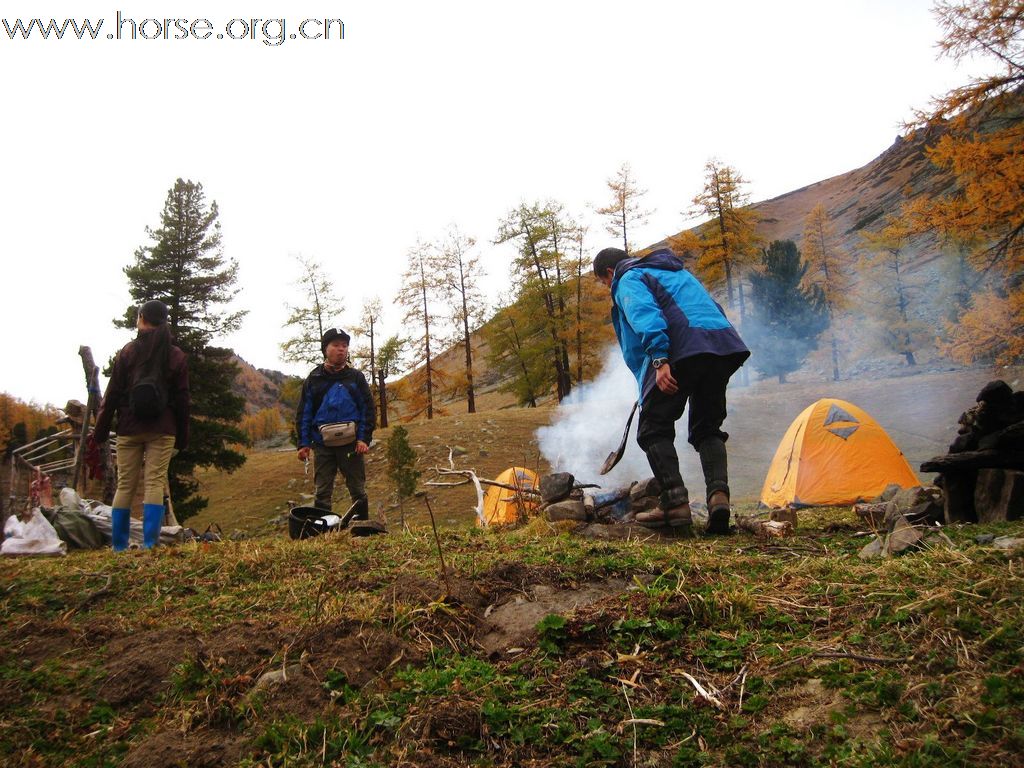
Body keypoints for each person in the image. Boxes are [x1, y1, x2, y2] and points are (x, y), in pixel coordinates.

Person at [593, 246, 749, 534]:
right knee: (707, 428)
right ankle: (719, 498)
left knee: (652, 428)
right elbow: (714, 309)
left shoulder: (628, 278)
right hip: (720, 348)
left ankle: (674, 504)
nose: (607, 287)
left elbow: (644, 314)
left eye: (604, 283)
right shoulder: (676, 272)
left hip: (681, 352)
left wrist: (660, 358)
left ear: (608, 272)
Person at [92, 300, 190, 550]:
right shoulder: (176, 355)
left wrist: (100, 431)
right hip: (163, 428)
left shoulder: (128, 352)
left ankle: (119, 545)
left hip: (129, 427)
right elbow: (182, 400)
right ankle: (149, 544)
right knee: (155, 482)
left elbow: (112, 394)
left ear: (143, 318)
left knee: (125, 484)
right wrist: (182, 437)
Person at [295, 327, 375, 524]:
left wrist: (364, 438)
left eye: (345, 346)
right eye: (336, 345)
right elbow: (304, 413)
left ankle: (362, 530)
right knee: (322, 492)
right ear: (325, 349)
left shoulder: (356, 377)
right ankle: (323, 534)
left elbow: (368, 409)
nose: (341, 349)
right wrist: (303, 443)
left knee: (357, 489)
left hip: (352, 445)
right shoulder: (314, 379)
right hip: (323, 446)